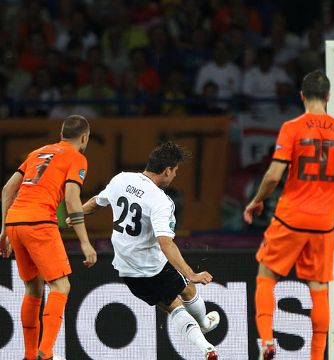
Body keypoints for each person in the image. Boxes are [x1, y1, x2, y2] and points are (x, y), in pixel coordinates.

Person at [244, 70, 334, 360]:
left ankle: (266, 341)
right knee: (318, 288)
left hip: (290, 217)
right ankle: (316, 357)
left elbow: (275, 175)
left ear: (301, 95)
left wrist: (257, 200)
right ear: (328, 97)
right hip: (324, 223)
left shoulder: (292, 128)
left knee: (266, 276)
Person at [78, 142, 220, 360]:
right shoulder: (161, 201)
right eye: (175, 171)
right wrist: (191, 272)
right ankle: (205, 337)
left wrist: (76, 215)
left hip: (126, 270)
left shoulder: (121, 179)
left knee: (177, 302)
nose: (174, 176)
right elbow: (166, 243)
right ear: (167, 170)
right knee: (184, 291)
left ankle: (205, 335)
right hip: (153, 267)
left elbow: (96, 203)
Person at [0, 115, 97, 360]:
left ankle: (30, 355)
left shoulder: (38, 152)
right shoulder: (77, 157)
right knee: (61, 286)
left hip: (15, 222)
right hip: (39, 222)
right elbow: (72, 199)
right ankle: (47, 353)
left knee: (33, 288)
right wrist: (85, 242)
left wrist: (3, 231)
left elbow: (7, 190)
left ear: (62, 133)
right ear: (84, 137)